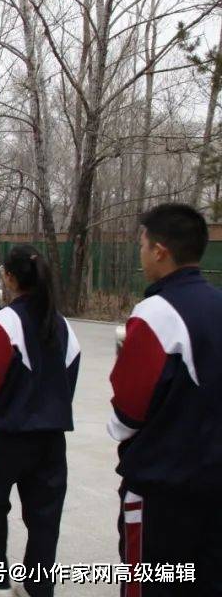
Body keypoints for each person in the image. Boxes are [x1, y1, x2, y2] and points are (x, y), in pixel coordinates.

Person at [108, 203, 222, 597]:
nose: (140, 255)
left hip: (163, 492)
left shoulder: (156, 312)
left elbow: (127, 410)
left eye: (141, 245)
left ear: (160, 250)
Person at [0, 245, 80, 596]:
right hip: (52, 437)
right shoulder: (62, 324)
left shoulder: (5, 321)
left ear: (10, 278)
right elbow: (70, 377)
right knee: (45, 516)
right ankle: (38, 586)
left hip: (9, 433)